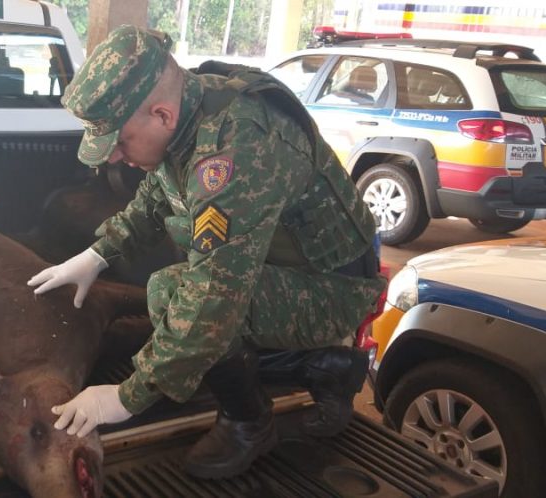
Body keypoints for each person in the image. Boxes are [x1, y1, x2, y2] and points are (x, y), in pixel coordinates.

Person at [27, 25, 387, 479]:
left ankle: (249, 423)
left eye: (119, 142)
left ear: (161, 115)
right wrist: (98, 255)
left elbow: (214, 295)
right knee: (179, 304)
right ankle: (324, 365)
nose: (113, 158)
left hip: (332, 288)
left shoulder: (237, 146)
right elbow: (158, 197)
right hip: (284, 271)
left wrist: (126, 396)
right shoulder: (189, 112)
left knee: (172, 293)